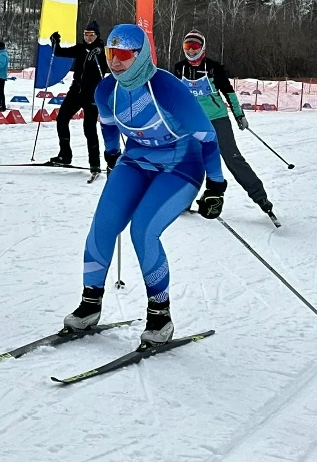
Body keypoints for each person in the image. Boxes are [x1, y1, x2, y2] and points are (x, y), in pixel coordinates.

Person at [63, 24, 227, 345]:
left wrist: (216, 186)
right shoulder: (106, 90)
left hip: (181, 164)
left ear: (140, 55)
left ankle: (159, 316)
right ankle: (90, 304)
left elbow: (206, 136)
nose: (116, 61)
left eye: (124, 54)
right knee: (103, 226)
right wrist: (112, 155)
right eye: (112, 53)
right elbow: (108, 126)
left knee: (143, 229)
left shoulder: (165, 87)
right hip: (136, 161)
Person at [173, 29, 277, 219]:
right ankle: (183, 200)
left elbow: (229, 93)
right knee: (190, 161)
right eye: (187, 47)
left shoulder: (213, 68)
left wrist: (239, 115)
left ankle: (261, 198)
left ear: (202, 47)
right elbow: (176, 96)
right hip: (193, 122)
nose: (191, 51)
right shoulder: (180, 68)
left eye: (195, 47)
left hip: (217, 119)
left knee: (232, 158)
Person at [48, 20, 109, 171]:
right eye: (86, 34)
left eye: (91, 35)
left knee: (89, 128)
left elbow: (107, 64)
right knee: (62, 119)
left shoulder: (101, 50)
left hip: (92, 95)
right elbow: (60, 52)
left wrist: (99, 52)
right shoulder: (81, 48)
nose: (88, 37)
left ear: (97, 36)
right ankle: (65, 155)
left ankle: (94, 163)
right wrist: (55, 42)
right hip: (76, 91)